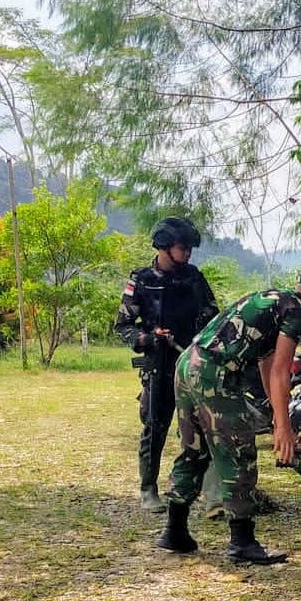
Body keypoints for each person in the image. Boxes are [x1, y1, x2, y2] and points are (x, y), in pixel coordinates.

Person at [156, 257, 301, 564]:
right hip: (215, 375)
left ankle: (174, 532)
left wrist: (276, 415)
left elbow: (266, 362)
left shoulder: (272, 298)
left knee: (195, 449)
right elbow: (282, 372)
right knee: (238, 451)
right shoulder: (295, 311)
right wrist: (283, 428)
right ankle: (242, 542)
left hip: (189, 364)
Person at [114, 217, 218, 513]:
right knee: (154, 427)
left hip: (193, 363)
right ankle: (149, 489)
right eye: (182, 248)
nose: (187, 254)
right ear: (163, 246)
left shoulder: (194, 278)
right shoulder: (142, 280)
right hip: (159, 364)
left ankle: (201, 491)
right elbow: (122, 326)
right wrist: (147, 338)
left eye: (189, 249)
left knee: (203, 428)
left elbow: (212, 314)